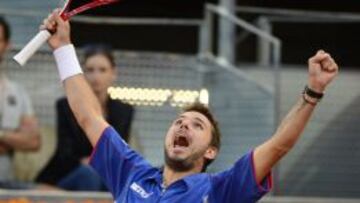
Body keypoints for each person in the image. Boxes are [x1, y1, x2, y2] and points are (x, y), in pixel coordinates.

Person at [42, 10, 338, 202]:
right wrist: (63, 48)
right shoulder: (132, 171)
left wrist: (312, 91)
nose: (184, 124)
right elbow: (88, 116)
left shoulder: (221, 189)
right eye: (180, 121)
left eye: (198, 125)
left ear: (211, 151)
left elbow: (279, 146)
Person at [36, 44, 134, 191]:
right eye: (90, 70)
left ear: (113, 73)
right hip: (69, 173)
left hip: (104, 175)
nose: (96, 76)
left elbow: (118, 152)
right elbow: (65, 152)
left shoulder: (124, 111)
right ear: (82, 74)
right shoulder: (65, 105)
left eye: (102, 70)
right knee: (90, 174)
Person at [0, 16, 41, 187]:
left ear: (6, 44)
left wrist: (1, 135)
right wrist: (12, 138)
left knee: (52, 196)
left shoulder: (18, 92)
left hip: (6, 183)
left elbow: (34, 141)